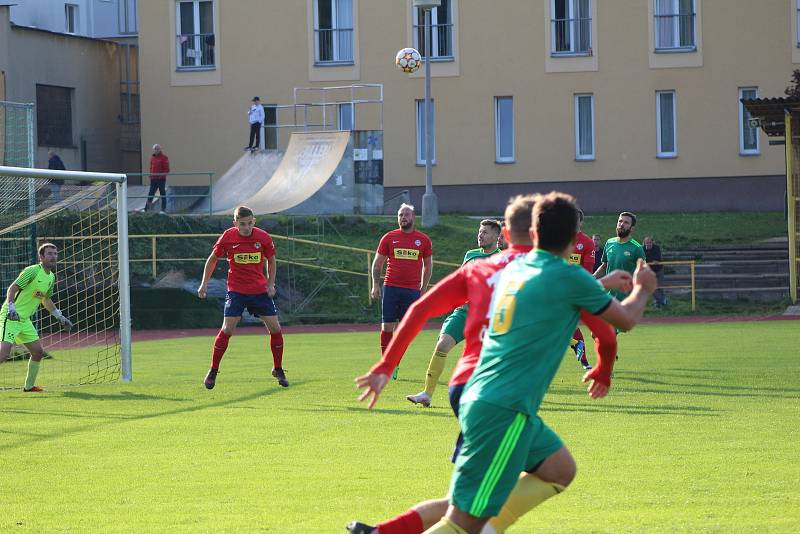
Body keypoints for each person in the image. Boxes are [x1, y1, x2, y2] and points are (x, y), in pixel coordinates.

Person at [350, 195, 632, 534]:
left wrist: (385, 365)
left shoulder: (487, 268)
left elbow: (421, 309)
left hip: (465, 384)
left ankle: (384, 531)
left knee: (477, 493)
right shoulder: (540, 271)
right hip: (499, 391)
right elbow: (586, 309)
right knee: (468, 511)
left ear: (506, 235)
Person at [419, 192, 655, 534]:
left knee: (560, 469)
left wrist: (598, 287)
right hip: (504, 407)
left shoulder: (518, 267)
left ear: (533, 233)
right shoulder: (565, 276)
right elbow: (626, 319)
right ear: (576, 240)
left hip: (489, 395)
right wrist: (643, 289)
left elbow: (565, 297)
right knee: (463, 520)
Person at [406, 219, 502, 408]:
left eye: (485, 232)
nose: (480, 235)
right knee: (442, 345)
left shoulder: (504, 258)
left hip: (488, 316)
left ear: (497, 236)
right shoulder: (470, 255)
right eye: (479, 231)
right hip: (464, 311)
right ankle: (427, 393)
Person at [197, 205, 288, 389]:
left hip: (259, 291)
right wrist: (204, 283)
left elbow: (271, 260)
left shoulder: (263, 237)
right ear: (235, 224)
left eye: (249, 223)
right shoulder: (228, 237)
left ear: (254, 221)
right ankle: (213, 370)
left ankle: (277, 368)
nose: (246, 227)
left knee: (275, 328)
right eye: (242, 224)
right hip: (236, 291)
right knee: (227, 329)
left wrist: (270, 284)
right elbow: (213, 259)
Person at [370, 203, 432, 380]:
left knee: (404, 330)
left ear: (413, 217)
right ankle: (386, 364)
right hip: (391, 288)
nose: (403, 217)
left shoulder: (423, 240)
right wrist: (375, 285)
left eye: (406, 214)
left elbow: (427, 267)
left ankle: (395, 363)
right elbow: (377, 263)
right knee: (387, 327)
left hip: (412, 291)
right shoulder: (389, 238)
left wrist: (423, 290)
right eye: (400, 215)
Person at [0, 243, 73, 392]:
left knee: (38, 352)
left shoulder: (51, 277)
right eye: (49, 253)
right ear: (41, 257)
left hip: (25, 320)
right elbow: (12, 288)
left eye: (55, 253)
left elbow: (46, 300)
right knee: (3, 353)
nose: (53, 256)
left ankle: (29, 387)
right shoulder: (32, 271)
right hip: (11, 316)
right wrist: (11, 308)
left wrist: (60, 317)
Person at [567, 209, 596, 370]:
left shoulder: (586, 242)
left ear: (580, 222)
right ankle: (580, 352)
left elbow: (587, 271)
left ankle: (580, 351)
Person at [143, 144, 170, 214]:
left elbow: (167, 170)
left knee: (162, 193)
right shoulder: (153, 158)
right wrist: (151, 175)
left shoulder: (164, 158)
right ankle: (146, 209)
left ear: (160, 149)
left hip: (161, 179)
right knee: (151, 194)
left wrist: (161, 175)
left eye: (157, 149)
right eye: (155, 149)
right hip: (153, 179)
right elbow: (151, 168)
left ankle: (163, 209)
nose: (156, 150)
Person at [644, 236, 667, 308]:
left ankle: (659, 304)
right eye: (646, 243)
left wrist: (648, 259)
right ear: (644, 243)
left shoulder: (656, 248)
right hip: (649, 272)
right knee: (652, 288)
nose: (648, 244)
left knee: (660, 287)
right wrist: (651, 260)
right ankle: (663, 301)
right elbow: (642, 258)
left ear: (652, 242)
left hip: (658, 270)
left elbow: (657, 258)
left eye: (649, 242)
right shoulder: (642, 249)